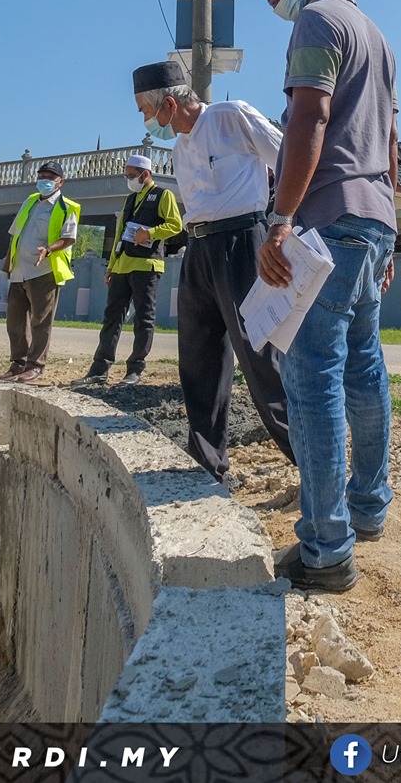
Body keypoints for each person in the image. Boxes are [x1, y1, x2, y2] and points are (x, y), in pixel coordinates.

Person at [238, 0, 398, 593]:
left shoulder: (315, 23)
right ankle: (367, 508)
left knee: (313, 379)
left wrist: (279, 221)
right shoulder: (378, 38)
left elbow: (308, 119)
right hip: (373, 221)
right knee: (364, 367)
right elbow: (390, 140)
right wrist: (385, 229)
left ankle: (327, 549)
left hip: (326, 220)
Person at [133, 57, 295, 482]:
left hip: (243, 242)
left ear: (168, 103)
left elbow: (289, 159)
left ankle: (311, 461)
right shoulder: (178, 148)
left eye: (147, 112)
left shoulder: (230, 116)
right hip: (198, 250)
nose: (146, 121)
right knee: (198, 360)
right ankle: (208, 464)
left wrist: (282, 223)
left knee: (260, 356)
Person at [82, 151, 183, 385]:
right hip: (123, 265)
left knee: (144, 318)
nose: (129, 180)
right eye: (127, 176)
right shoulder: (130, 199)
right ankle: (100, 369)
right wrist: (112, 264)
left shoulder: (162, 195)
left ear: (145, 174)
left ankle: (135, 369)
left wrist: (151, 233)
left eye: (132, 176)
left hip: (147, 265)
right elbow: (120, 233)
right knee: (112, 317)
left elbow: (176, 225)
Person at [0, 160, 80, 384]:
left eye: (50, 177)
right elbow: (15, 235)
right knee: (15, 320)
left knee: (40, 320)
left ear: (60, 182)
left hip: (43, 271)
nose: (44, 180)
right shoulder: (30, 202)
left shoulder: (66, 207)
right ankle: (18, 363)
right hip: (19, 271)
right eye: (41, 176)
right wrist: (5, 268)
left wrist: (49, 249)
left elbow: (69, 238)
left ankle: (35, 365)